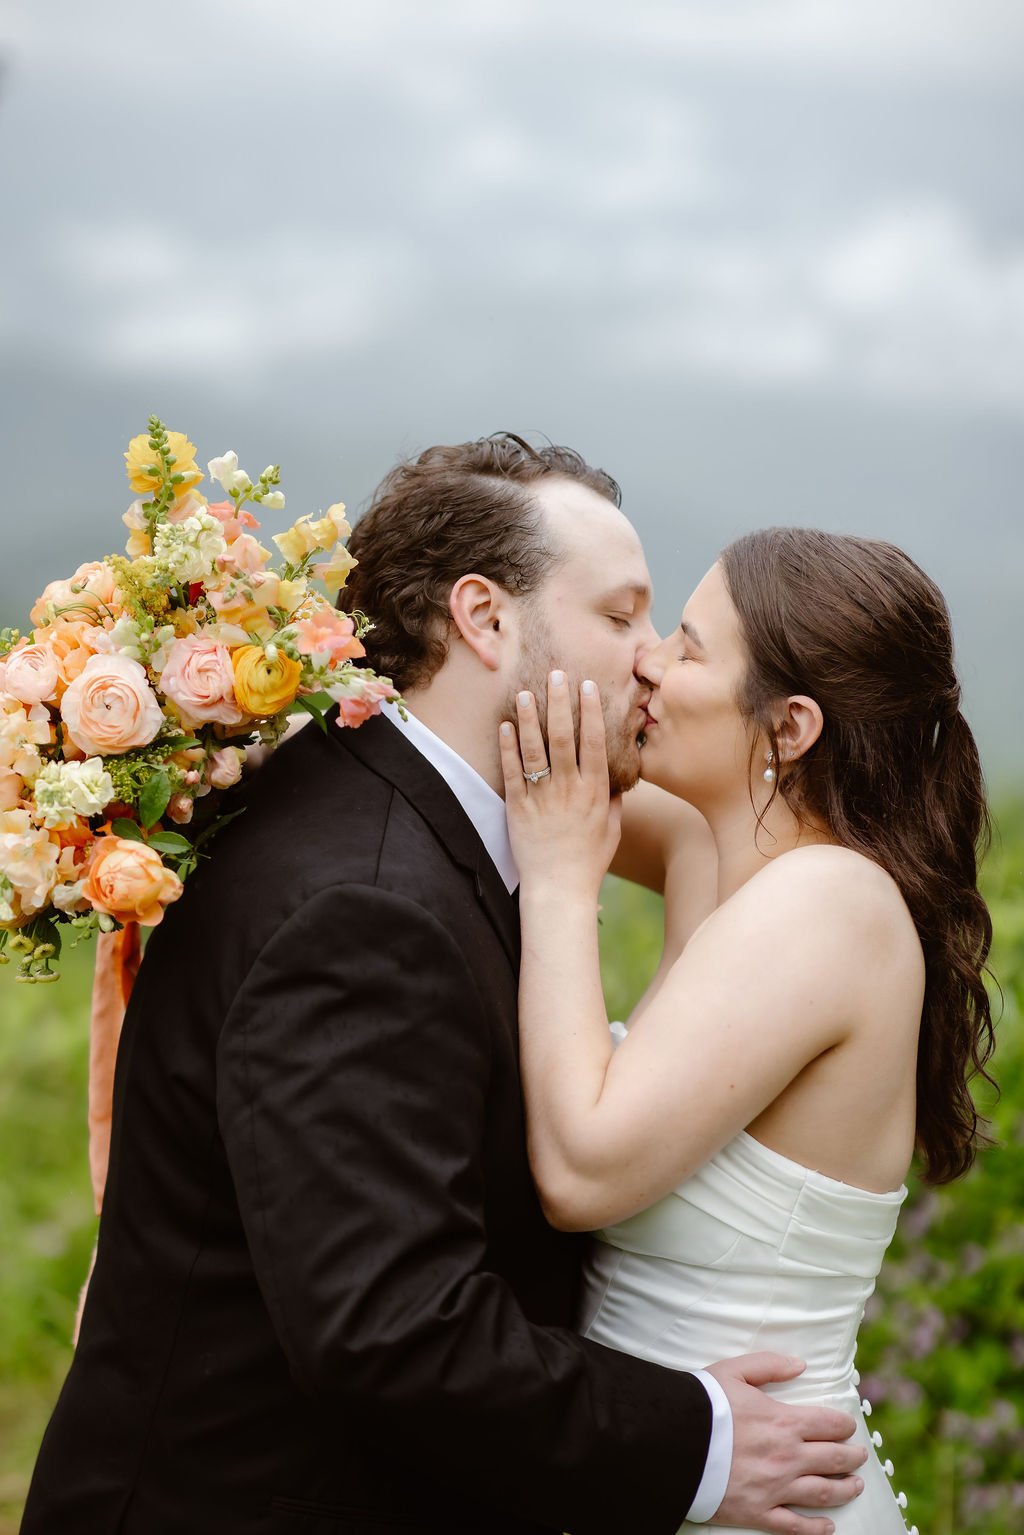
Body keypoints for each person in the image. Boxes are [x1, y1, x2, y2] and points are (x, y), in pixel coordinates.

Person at [21, 445, 868, 1535]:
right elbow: (390, 1326)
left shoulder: (384, 794)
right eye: (620, 617)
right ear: (484, 619)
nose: (651, 661)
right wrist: (695, 1442)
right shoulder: (366, 907)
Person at [500, 528, 995, 1535]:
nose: (647, 660)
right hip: (658, 1467)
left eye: (686, 647)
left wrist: (559, 883)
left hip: (761, 1500)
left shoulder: (830, 904)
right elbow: (515, 765)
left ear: (790, 724)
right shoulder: (714, 848)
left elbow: (582, 1170)